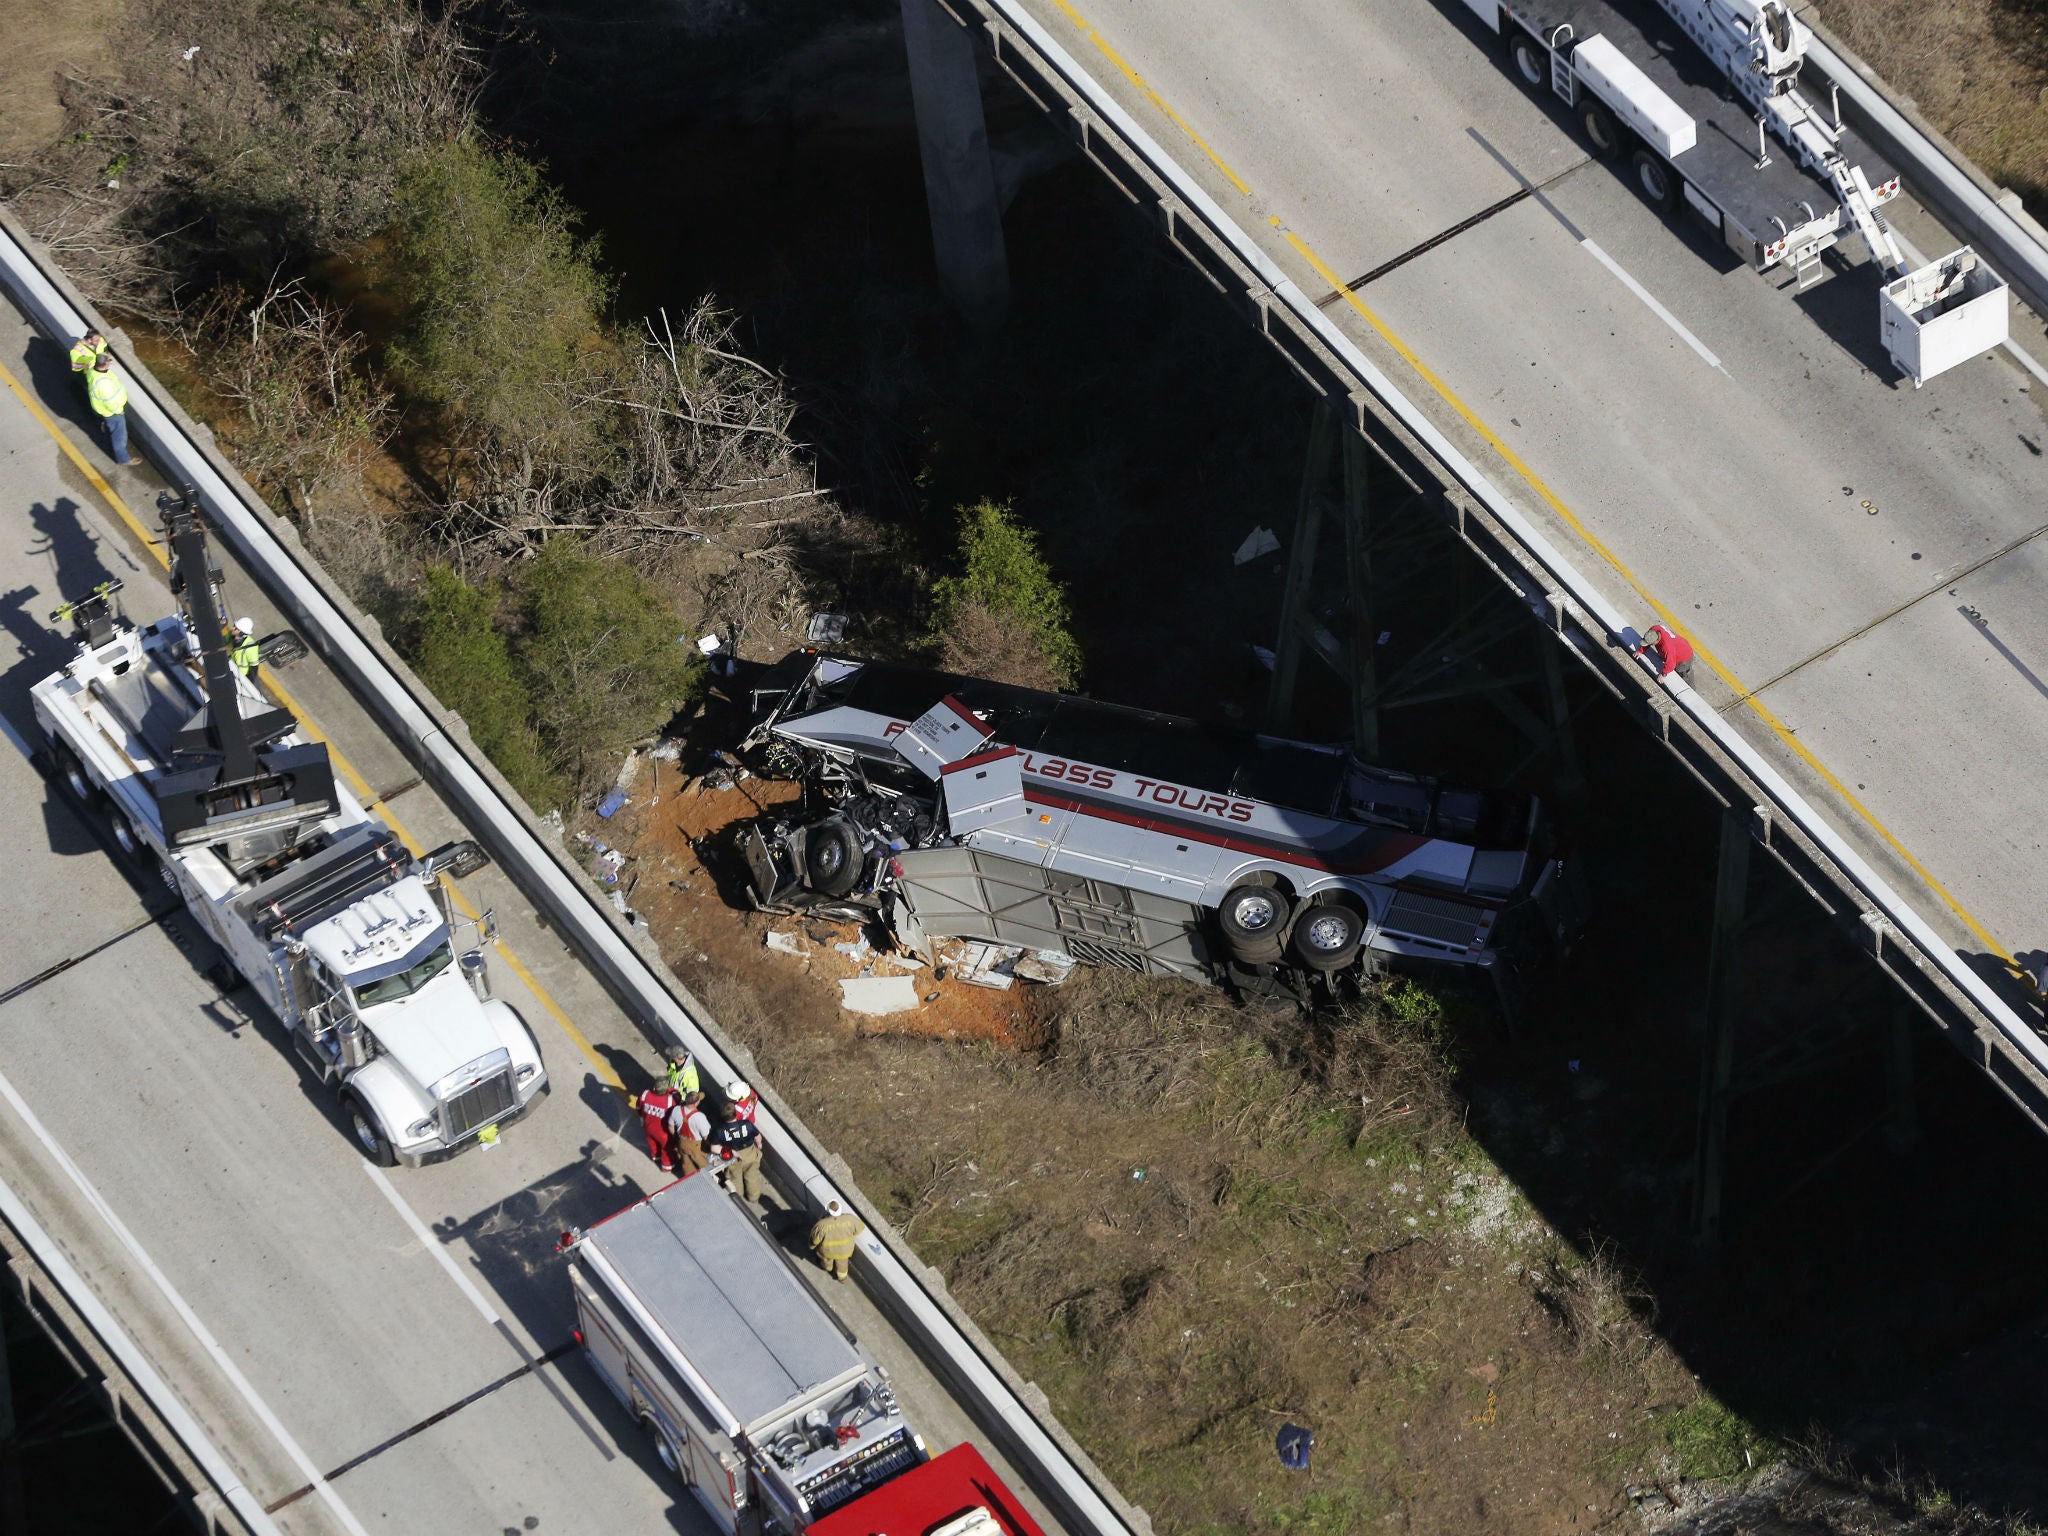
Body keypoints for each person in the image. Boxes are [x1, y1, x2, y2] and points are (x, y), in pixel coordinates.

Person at [705, 1103, 763, 1202]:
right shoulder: (747, 1124)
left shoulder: (719, 1131)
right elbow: (757, 1136)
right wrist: (759, 1144)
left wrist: (730, 1151)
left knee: (734, 1178)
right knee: (752, 1176)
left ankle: (738, 1199)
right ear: (735, 1113)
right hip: (750, 1153)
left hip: (732, 1158)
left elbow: (714, 1148)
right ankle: (754, 1197)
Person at [87, 353, 131, 466]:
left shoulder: (94, 372)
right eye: (109, 361)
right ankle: (123, 459)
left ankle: (107, 430)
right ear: (105, 363)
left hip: (103, 410)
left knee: (112, 429)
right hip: (113, 412)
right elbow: (110, 401)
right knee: (119, 436)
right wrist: (118, 410)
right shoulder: (103, 383)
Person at [808, 1199, 865, 1282]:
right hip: (844, 1251)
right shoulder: (850, 1219)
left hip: (827, 1251)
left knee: (826, 1261)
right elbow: (860, 1228)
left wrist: (811, 1247)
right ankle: (842, 1279)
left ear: (828, 1211)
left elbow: (814, 1240)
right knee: (842, 1266)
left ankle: (828, 1268)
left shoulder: (821, 1225)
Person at [635, 1080, 683, 1173]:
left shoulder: (645, 1094)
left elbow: (638, 1108)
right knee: (667, 1149)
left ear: (654, 1088)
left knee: (652, 1143)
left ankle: (655, 1157)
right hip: (663, 1132)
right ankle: (667, 1166)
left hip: (648, 1127)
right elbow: (678, 1099)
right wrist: (673, 1090)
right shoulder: (670, 1101)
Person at [676, 1091, 712, 1177]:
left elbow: (670, 1127)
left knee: (687, 1164)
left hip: (682, 1141)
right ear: (697, 1103)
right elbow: (706, 1136)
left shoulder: (676, 1110)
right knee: (702, 1163)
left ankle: (691, 1180)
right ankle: (707, 1178)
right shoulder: (700, 1117)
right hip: (695, 1145)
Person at [69, 329, 107, 400]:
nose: (99, 341)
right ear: (89, 340)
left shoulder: (99, 340)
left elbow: (104, 346)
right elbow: (77, 369)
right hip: (87, 375)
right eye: (96, 340)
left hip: (99, 370)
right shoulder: (77, 351)